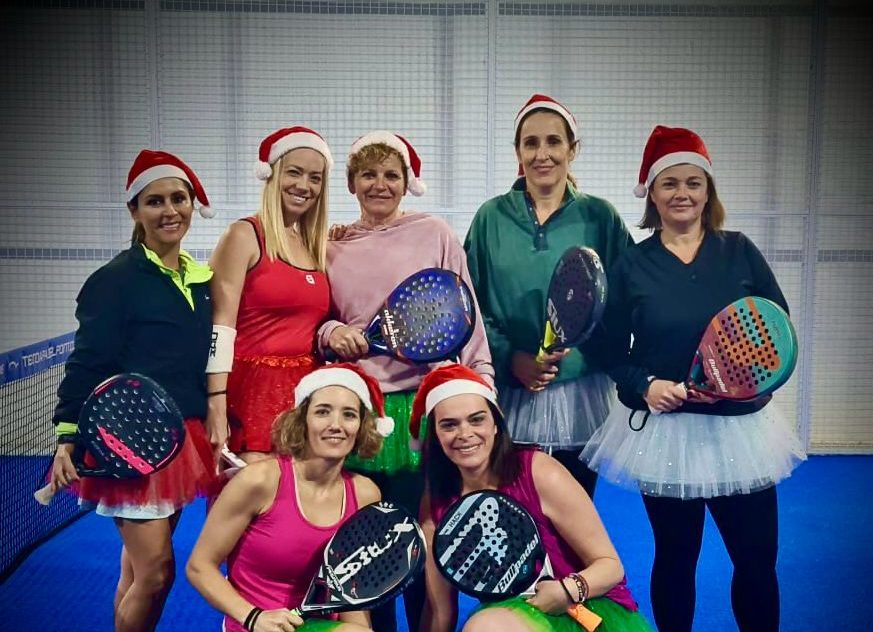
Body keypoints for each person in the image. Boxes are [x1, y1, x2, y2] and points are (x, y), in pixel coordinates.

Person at [581, 125, 806, 632]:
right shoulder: (632, 264)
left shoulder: (739, 250)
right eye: (669, 183)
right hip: (667, 433)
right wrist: (644, 384)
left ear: (708, 191)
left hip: (739, 431)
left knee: (755, 562)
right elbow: (607, 347)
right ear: (652, 195)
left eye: (693, 183)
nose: (682, 193)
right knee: (676, 559)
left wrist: (744, 381)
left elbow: (777, 327)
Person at [319, 130, 493, 631]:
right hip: (359, 415)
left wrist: (483, 388)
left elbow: (468, 318)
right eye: (368, 174)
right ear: (352, 182)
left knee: (422, 539)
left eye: (391, 175)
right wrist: (332, 331)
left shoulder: (434, 233)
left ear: (406, 182)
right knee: (367, 542)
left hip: (422, 411)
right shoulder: (331, 245)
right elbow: (315, 321)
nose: (380, 184)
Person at [49, 150, 218, 631]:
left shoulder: (199, 278)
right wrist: (67, 436)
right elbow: (88, 361)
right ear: (134, 211)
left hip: (183, 440)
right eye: (155, 201)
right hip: (128, 443)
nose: (170, 211)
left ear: (192, 204)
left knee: (135, 568)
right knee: (157, 572)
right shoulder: (114, 281)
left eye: (178, 199)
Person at [464, 94, 633, 498]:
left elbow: (623, 303)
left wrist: (582, 354)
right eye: (531, 143)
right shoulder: (490, 217)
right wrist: (512, 358)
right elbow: (472, 303)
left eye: (554, 142)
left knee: (575, 512)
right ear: (518, 152)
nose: (543, 154)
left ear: (573, 150)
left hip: (580, 394)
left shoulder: (601, 216)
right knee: (511, 510)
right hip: (509, 390)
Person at [414, 364, 653, 632]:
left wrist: (566, 590)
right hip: (510, 618)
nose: (465, 433)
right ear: (435, 434)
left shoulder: (539, 472)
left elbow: (610, 567)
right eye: (449, 425)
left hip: (584, 607)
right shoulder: (437, 503)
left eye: (477, 419)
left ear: (496, 423)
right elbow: (440, 610)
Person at [187, 363, 387, 632]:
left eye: (349, 415)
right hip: (255, 624)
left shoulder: (366, 494)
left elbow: (353, 590)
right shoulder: (259, 481)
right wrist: (254, 617)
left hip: (319, 626)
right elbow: (200, 566)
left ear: (361, 427)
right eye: (322, 412)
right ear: (302, 420)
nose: (336, 425)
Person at [206, 127, 333, 464]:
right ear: (272, 174)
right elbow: (219, 326)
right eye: (294, 172)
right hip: (251, 395)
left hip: (306, 393)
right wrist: (215, 402)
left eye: (315, 178)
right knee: (247, 505)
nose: (304, 186)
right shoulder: (244, 235)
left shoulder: (316, 247)